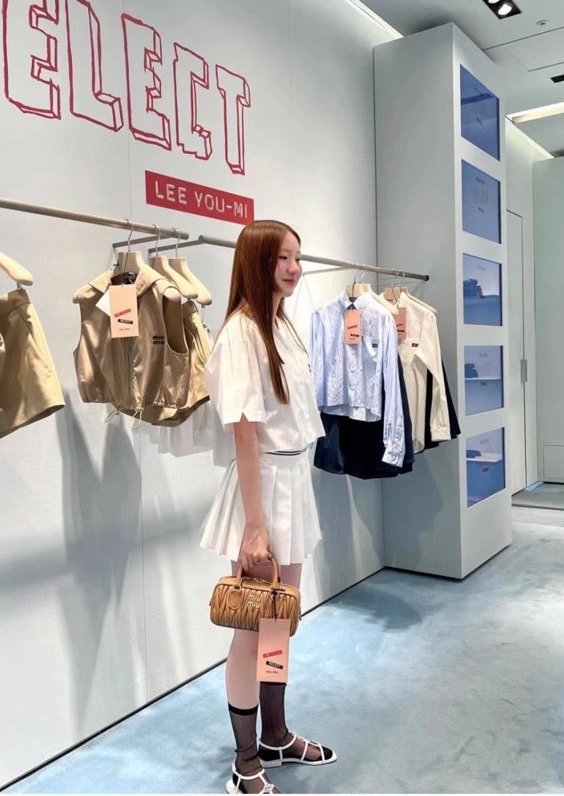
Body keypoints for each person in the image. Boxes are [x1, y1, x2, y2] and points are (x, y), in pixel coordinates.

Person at [201, 220, 337, 794]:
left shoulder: (280, 325)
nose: (294, 268)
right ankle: (245, 759)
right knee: (251, 627)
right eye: (283, 258)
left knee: (281, 620)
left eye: (298, 258)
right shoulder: (240, 332)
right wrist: (254, 525)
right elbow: (244, 432)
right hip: (262, 487)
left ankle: (276, 735)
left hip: (292, 479)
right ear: (257, 261)